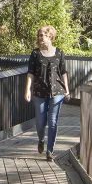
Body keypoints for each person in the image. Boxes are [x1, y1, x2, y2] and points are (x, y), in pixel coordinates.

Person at [25, 25, 69, 159]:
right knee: (40, 123)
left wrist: (67, 90)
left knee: (53, 121)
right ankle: (41, 139)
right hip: (39, 92)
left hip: (57, 92)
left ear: (50, 36)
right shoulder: (35, 53)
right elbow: (30, 73)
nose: (39, 38)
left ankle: (50, 150)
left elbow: (63, 72)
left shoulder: (59, 52)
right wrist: (27, 89)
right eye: (38, 35)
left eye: (42, 35)